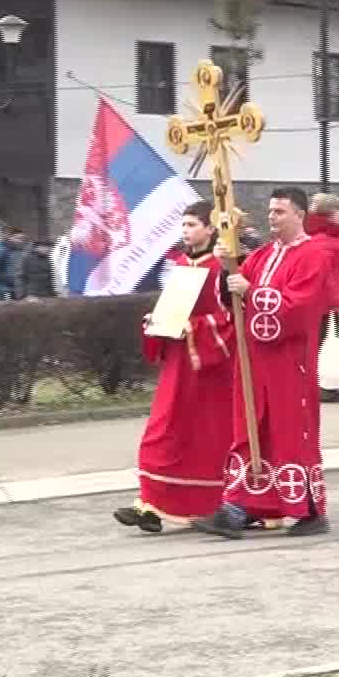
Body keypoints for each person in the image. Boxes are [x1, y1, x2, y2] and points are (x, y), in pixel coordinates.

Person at [194, 187, 333, 540]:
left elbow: (300, 306)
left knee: (289, 434)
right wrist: (228, 267)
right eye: (270, 211)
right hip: (255, 360)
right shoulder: (263, 253)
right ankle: (241, 507)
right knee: (252, 429)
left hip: (290, 363)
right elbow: (234, 295)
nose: (272, 217)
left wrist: (251, 292)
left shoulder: (314, 254)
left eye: (280, 211)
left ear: (299, 214)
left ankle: (310, 510)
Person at [115, 202, 235, 533]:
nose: (186, 230)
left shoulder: (220, 269)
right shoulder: (182, 263)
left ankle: (206, 504)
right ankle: (150, 504)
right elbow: (173, 306)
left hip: (208, 371)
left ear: (211, 229)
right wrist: (158, 321)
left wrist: (193, 328)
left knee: (201, 440)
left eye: (193, 224)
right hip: (179, 364)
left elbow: (232, 319)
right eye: (183, 224)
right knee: (161, 433)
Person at [308, 193, 339, 404]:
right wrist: (336, 301)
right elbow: (324, 274)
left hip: (333, 300)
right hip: (328, 302)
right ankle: (321, 386)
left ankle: (330, 385)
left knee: (331, 345)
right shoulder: (325, 240)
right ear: (329, 214)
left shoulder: (333, 237)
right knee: (324, 346)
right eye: (338, 211)